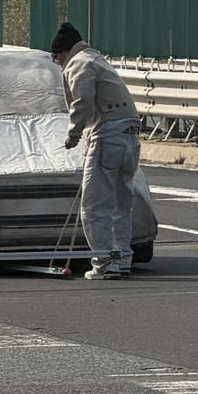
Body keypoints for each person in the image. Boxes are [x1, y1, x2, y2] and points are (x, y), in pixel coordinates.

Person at [51, 21, 141, 280]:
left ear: (63, 52)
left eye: (56, 58)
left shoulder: (79, 63)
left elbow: (83, 101)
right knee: (120, 203)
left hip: (108, 134)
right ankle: (122, 258)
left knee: (94, 206)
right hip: (130, 134)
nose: (58, 63)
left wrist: (74, 134)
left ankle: (103, 262)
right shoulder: (97, 59)